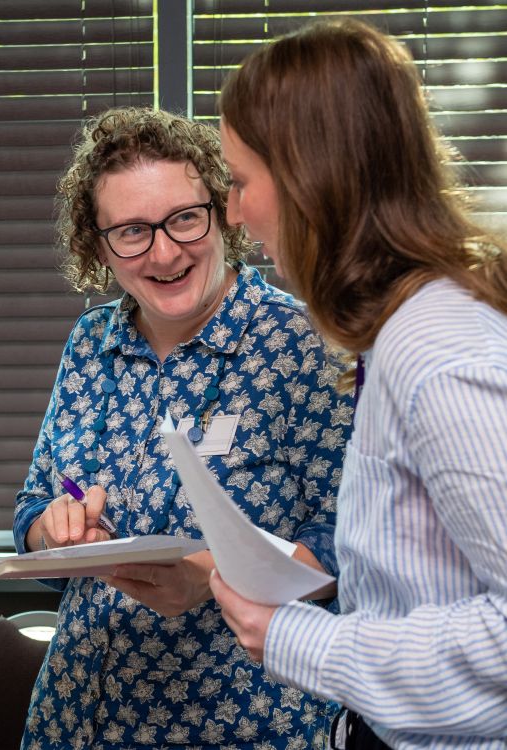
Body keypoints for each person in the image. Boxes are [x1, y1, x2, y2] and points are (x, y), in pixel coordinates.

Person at [13, 106, 353, 749]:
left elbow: (346, 545)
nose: (164, 252)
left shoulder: (306, 343)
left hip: (245, 723)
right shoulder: (91, 343)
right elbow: (34, 502)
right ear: (99, 244)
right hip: (77, 715)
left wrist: (214, 577)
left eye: (184, 219)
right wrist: (52, 528)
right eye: (132, 231)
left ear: (225, 210)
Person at [211, 19, 507, 750]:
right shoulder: (396, 335)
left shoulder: (436, 353)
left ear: (316, 181)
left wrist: (298, 639)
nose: (235, 213)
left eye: (244, 182)